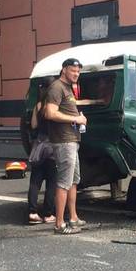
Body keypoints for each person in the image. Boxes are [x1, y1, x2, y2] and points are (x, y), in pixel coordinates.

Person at [44, 58, 88, 234]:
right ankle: (59, 224)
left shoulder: (68, 88)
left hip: (72, 140)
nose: (76, 74)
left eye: (78, 71)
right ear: (64, 70)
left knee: (73, 181)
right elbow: (50, 113)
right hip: (63, 141)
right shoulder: (56, 87)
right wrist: (75, 118)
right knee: (63, 182)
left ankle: (74, 218)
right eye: (73, 70)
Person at [27, 79, 57, 225]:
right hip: (52, 146)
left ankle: (32, 213)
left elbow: (33, 125)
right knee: (52, 182)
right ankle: (48, 214)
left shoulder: (37, 106)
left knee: (35, 181)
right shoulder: (54, 106)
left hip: (39, 146)